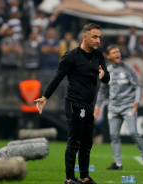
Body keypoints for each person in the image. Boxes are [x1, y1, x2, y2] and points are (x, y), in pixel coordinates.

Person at [35, 23, 110, 184]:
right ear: (85, 37)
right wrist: (45, 97)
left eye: (99, 37)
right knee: (74, 141)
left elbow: (107, 78)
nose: (98, 41)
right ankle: (69, 179)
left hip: (89, 104)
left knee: (87, 143)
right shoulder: (71, 56)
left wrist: (104, 75)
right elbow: (57, 78)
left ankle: (84, 177)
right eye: (94, 37)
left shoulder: (98, 56)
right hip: (74, 103)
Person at [94, 44, 143, 171]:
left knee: (133, 132)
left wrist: (137, 100)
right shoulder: (106, 70)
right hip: (113, 108)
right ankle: (118, 164)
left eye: (118, 51)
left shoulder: (128, 68)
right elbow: (103, 90)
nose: (117, 54)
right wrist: (98, 105)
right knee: (114, 136)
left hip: (128, 106)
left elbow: (137, 85)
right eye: (113, 52)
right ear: (108, 56)